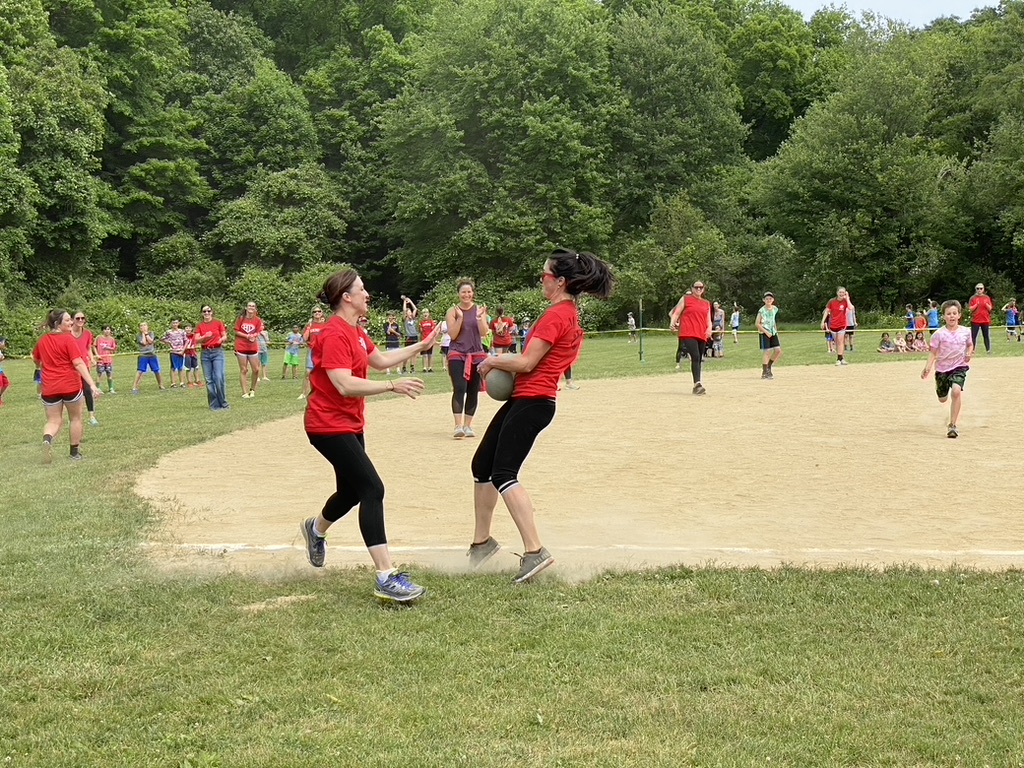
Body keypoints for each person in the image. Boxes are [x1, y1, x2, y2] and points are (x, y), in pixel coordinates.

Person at [467, 248, 615, 583]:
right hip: (525, 399)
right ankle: (481, 543)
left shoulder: (557, 315)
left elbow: (526, 363)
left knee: (504, 473)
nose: (542, 281)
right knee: (483, 466)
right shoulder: (565, 313)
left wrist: (491, 360)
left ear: (560, 281)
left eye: (545, 276)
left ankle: (535, 551)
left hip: (534, 401)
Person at [299, 268, 441, 603]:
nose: (368, 295)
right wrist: (393, 385)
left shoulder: (357, 331)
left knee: (350, 492)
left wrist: (419, 346)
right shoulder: (334, 333)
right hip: (327, 425)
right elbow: (343, 384)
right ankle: (385, 576)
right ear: (346, 297)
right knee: (373, 488)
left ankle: (315, 529)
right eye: (361, 290)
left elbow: (379, 360)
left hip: (349, 423)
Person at [32, 309, 102, 462]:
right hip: (70, 385)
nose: (71, 322)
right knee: (75, 418)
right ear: (58, 323)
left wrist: (43, 365)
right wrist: (92, 384)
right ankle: (74, 453)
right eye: (68, 320)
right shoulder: (68, 339)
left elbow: (36, 360)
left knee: (53, 421)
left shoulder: (42, 340)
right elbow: (78, 363)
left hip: (50, 387)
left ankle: (47, 441)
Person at [922, 299, 974, 438]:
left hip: (959, 366)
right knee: (943, 399)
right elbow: (932, 352)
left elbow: (970, 345)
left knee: (956, 391)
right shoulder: (938, 334)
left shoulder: (965, 331)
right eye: (948, 313)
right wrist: (927, 367)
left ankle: (952, 425)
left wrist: (969, 352)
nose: (951, 316)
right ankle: (941, 391)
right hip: (942, 370)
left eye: (954, 313)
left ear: (959, 315)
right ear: (943, 316)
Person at [446, 278, 489, 438]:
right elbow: (452, 334)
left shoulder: (479, 309)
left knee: (473, 390)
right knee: (460, 387)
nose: (466, 295)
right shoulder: (453, 310)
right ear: (458, 294)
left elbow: (484, 332)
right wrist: (459, 319)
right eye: (463, 292)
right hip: (457, 353)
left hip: (476, 354)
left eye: (469, 292)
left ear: (473, 293)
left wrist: (479, 318)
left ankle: (468, 426)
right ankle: (458, 426)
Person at [669, 281, 712, 394]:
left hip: (701, 333)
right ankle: (697, 384)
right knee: (695, 356)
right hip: (688, 332)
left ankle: (697, 383)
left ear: (703, 289)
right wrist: (672, 324)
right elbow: (676, 313)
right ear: (692, 288)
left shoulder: (706, 303)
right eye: (696, 287)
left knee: (698, 358)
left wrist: (709, 329)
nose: (698, 289)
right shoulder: (686, 299)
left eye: (701, 287)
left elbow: (708, 319)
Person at [195, 305, 229, 410]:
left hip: (217, 351)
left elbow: (224, 335)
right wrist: (205, 337)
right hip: (205, 352)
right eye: (204, 311)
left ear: (212, 312)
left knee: (218, 377)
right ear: (202, 313)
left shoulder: (218, 322)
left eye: (208, 311)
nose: (206, 313)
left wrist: (221, 339)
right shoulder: (199, 326)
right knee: (209, 380)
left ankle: (224, 403)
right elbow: (196, 339)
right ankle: (214, 405)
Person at [70, 311, 99, 424]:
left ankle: (92, 416)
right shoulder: (67, 334)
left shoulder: (87, 333)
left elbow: (88, 348)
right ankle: (74, 416)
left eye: (82, 318)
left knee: (87, 389)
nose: (81, 320)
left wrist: (91, 359)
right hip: (71, 367)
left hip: (84, 366)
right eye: (78, 318)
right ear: (72, 320)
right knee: (73, 392)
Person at [234, 301, 264, 399]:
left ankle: (252, 389)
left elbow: (259, 331)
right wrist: (247, 336)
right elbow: (236, 331)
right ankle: (244, 392)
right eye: (249, 306)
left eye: (253, 306)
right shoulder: (241, 319)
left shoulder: (257, 320)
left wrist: (254, 335)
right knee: (244, 369)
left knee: (256, 369)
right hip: (241, 346)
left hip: (252, 347)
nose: (251, 307)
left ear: (255, 309)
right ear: (246, 308)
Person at [820, 287, 853, 365]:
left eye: (843, 292)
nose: (841, 294)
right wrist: (822, 321)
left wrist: (847, 298)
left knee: (840, 341)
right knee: (837, 343)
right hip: (833, 324)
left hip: (842, 324)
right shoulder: (831, 301)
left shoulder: (845, 301)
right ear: (837, 293)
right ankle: (841, 358)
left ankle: (839, 359)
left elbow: (850, 308)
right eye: (840, 292)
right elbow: (827, 311)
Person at [132, 322, 165, 393]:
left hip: (152, 354)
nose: (143, 327)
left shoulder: (151, 333)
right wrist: (143, 334)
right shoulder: (138, 335)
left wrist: (146, 334)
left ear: (147, 326)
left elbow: (150, 341)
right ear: (139, 328)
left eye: (144, 325)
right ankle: (134, 386)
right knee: (140, 371)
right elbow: (143, 343)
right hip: (143, 355)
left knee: (156, 370)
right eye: (141, 326)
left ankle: (161, 385)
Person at [756, 292, 782, 379]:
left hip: (773, 332)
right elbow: (757, 323)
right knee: (767, 351)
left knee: (778, 350)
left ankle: (769, 367)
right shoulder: (761, 310)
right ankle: (764, 372)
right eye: (766, 299)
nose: (768, 300)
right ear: (764, 300)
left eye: (770, 299)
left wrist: (776, 331)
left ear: (773, 300)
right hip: (764, 332)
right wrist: (766, 332)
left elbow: (773, 320)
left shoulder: (774, 309)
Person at [968, 282, 993, 354]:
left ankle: (988, 350)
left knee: (986, 335)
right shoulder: (973, 298)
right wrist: (976, 305)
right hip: (975, 320)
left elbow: (990, 308)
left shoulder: (986, 297)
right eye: (977, 288)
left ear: (983, 289)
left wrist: (986, 304)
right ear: (975, 289)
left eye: (981, 288)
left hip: (985, 319)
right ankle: (972, 350)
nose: (979, 290)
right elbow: (970, 308)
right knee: (973, 336)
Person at [163, 319, 188, 390]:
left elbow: (186, 340)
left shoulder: (182, 331)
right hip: (173, 351)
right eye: (173, 323)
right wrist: (169, 344)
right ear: (171, 324)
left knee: (181, 367)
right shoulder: (169, 332)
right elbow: (163, 339)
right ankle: (173, 383)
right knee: (173, 367)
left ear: (179, 323)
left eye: (176, 323)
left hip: (181, 351)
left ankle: (182, 382)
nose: (175, 324)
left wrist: (183, 350)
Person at [95, 326, 118, 393]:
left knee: (109, 374)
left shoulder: (112, 339)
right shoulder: (98, 338)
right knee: (99, 374)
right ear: (103, 330)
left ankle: (111, 388)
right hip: (100, 360)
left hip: (108, 360)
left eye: (108, 329)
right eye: (105, 329)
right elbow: (93, 346)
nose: (107, 331)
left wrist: (109, 348)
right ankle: (97, 389)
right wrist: (97, 354)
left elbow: (114, 349)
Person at [401, 296, 419, 374]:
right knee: (407, 353)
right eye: (409, 312)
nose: (410, 313)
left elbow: (415, 309)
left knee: (414, 353)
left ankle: (412, 367)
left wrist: (410, 301)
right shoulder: (405, 320)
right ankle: (404, 367)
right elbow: (404, 310)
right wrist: (405, 301)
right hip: (408, 337)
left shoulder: (413, 319)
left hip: (414, 336)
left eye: (410, 312)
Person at [0, 337, 8, 406]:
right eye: (3, 342)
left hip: (0, 370)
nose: (4, 344)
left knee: (6, 383)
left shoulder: (0, 351)